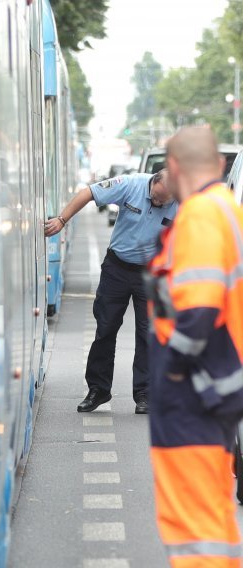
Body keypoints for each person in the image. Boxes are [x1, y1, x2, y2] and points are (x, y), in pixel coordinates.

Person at [147, 126, 243, 567]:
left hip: (194, 391)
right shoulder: (227, 209)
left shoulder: (201, 214)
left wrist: (171, 372)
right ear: (221, 166)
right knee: (212, 513)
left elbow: (199, 309)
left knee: (192, 520)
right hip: (218, 384)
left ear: (173, 169)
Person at [44, 169, 177, 414]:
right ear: (153, 182)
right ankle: (98, 390)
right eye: (156, 198)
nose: (158, 204)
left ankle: (145, 393)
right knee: (105, 329)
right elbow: (89, 193)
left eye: (163, 202)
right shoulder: (129, 184)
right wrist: (62, 220)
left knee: (148, 333)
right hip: (117, 268)